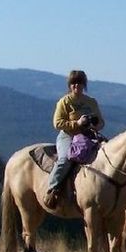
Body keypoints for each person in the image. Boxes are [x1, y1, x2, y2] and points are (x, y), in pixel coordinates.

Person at [44, 69, 105, 208]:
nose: (76, 85)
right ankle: (52, 189)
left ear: (84, 84)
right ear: (69, 85)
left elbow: (101, 122)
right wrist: (77, 123)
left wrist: (94, 125)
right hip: (68, 136)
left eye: (79, 82)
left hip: (88, 136)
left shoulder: (91, 102)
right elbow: (57, 123)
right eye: (73, 83)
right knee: (66, 159)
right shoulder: (65, 102)